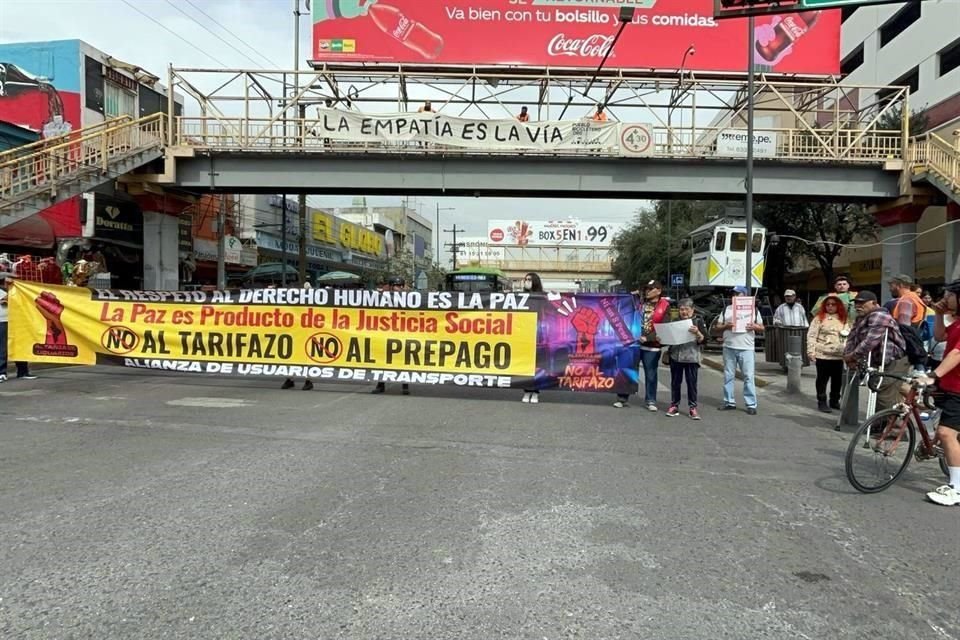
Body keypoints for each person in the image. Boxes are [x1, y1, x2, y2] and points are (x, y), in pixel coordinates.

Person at [921, 281, 960, 506]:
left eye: (950, 295)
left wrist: (933, 375)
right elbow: (939, 337)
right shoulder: (955, 321)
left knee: (947, 433)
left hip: (957, 388)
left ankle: (956, 488)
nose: (945, 299)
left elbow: (956, 354)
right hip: (950, 384)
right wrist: (938, 313)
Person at [841, 291, 909, 412]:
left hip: (892, 360)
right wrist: (847, 355)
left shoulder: (880, 316)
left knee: (884, 394)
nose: (857, 306)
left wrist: (852, 356)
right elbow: (852, 337)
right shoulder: (861, 318)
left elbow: (870, 342)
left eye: (861, 303)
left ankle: (895, 428)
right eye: (856, 303)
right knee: (887, 388)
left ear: (874, 303)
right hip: (878, 360)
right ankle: (919, 400)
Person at [615, 280, 670, 411]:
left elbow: (665, 325)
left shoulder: (665, 305)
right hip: (634, 345)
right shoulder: (638, 302)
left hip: (652, 346)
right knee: (628, 370)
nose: (647, 291)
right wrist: (631, 295)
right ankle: (622, 398)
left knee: (651, 374)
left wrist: (648, 337)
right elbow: (622, 306)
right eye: (646, 289)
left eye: (651, 289)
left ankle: (651, 400)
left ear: (659, 291)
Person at [717, 285, 765, 415]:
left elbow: (762, 327)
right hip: (729, 347)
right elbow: (717, 326)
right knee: (728, 376)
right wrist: (725, 326)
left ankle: (751, 404)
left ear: (744, 295)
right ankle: (729, 402)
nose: (735, 295)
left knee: (748, 376)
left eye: (738, 293)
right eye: (733, 293)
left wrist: (754, 326)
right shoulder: (726, 309)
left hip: (746, 348)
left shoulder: (753, 309)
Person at [806, 293, 850, 413]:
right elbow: (811, 335)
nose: (830, 307)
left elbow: (848, 335)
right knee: (822, 379)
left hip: (839, 355)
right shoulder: (818, 318)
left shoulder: (844, 318)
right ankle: (821, 401)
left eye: (833, 304)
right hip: (822, 354)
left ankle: (834, 401)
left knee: (837, 380)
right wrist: (811, 351)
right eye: (828, 304)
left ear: (838, 306)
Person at [665, 298, 707, 420]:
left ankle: (692, 408)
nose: (683, 312)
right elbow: (669, 338)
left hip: (692, 357)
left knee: (691, 384)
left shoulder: (698, 321)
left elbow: (705, 340)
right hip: (676, 356)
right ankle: (674, 405)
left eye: (686, 309)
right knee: (675, 383)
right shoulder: (675, 321)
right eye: (681, 309)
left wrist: (698, 333)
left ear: (692, 310)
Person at [372, 275, 410, 395]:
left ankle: (405, 385)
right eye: (395, 286)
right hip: (386, 332)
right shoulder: (383, 297)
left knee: (403, 360)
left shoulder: (409, 299)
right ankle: (380, 384)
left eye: (399, 286)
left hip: (402, 333)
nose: (396, 288)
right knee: (383, 360)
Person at [0, 273, 35, 383]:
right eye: (10, 279)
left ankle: (23, 371)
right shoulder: (5, 292)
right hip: (3, 321)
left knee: (20, 346)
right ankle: (1, 372)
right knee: (3, 348)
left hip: (17, 321)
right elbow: (5, 302)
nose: (13, 281)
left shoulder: (17, 291)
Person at [520, 272, 543, 404]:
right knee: (526, 365)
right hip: (524, 335)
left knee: (537, 365)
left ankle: (535, 392)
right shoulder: (521, 296)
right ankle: (527, 390)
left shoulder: (541, 297)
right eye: (525, 280)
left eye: (529, 280)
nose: (526, 282)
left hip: (538, 335)